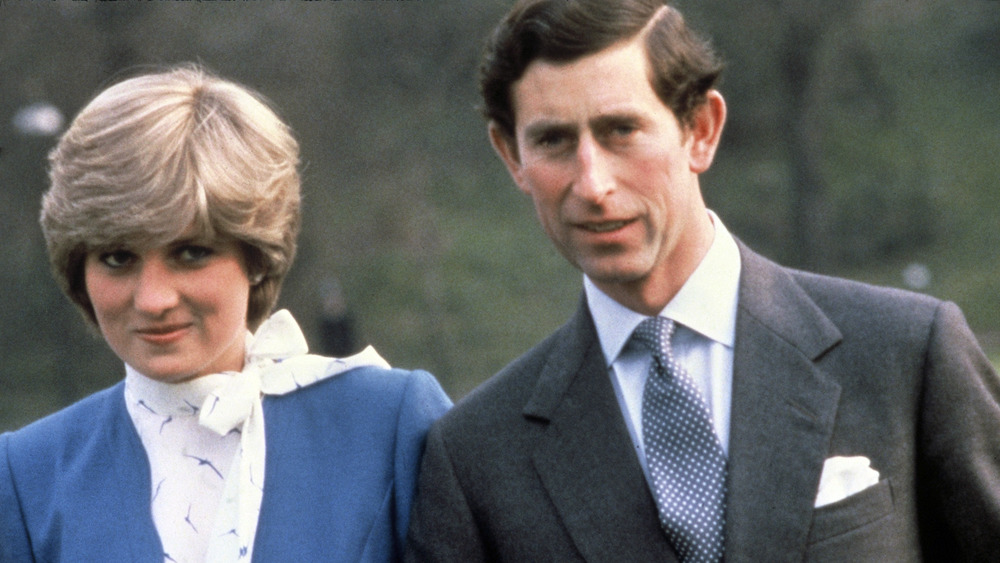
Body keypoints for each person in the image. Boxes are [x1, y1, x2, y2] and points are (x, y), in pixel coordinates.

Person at [404, 1, 1000, 561]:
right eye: (553, 140)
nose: (592, 185)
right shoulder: (477, 460)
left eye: (620, 130)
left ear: (702, 130)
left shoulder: (907, 354)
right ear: (511, 156)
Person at [0, 64, 451, 562]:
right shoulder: (26, 476)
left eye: (190, 252)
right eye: (117, 258)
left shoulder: (389, 423)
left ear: (255, 256)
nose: (153, 298)